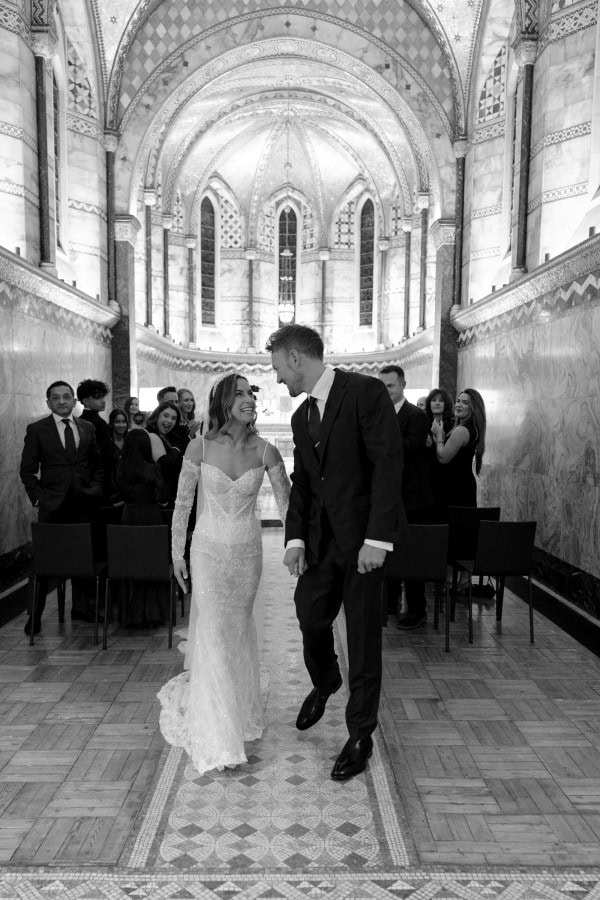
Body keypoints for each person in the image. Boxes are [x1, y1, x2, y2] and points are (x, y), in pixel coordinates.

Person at [267, 324, 405, 782]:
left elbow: (388, 464)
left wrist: (378, 539)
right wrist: (295, 540)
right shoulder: (299, 418)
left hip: (364, 544)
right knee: (309, 615)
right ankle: (325, 680)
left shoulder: (364, 393)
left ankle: (360, 735)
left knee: (364, 641)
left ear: (295, 359)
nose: (279, 380)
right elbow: (305, 483)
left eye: (279, 370)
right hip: (322, 545)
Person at [157, 374, 290, 775]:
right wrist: (176, 553)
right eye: (242, 394)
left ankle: (237, 709)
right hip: (208, 551)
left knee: (235, 630)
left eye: (253, 394)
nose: (250, 399)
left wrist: (297, 548)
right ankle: (220, 738)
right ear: (223, 401)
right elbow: (182, 506)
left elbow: (288, 507)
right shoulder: (199, 447)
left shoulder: (267, 450)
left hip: (248, 554)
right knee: (212, 631)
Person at [19, 380, 103, 634]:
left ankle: (83, 608)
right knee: (43, 563)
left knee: (82, 557)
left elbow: (97, 464)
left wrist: (95, 488)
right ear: (49, 402)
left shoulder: (87, 428)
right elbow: (27, 471)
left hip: (82, 503)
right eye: (56, 398)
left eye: (67, 397)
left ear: (75, 401)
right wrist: (38, 498)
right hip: (51, 506)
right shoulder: (37, 429)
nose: (62, 401)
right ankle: (34, 615)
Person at [379, 366, 433, 630]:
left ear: (402, 385)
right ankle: (389, 604)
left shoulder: (416, 415)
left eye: (390, 386)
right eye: (383, 386)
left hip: (412, 497)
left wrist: (384, 439)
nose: (386, 391)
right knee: (388, 549)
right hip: (389, 495)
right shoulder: (378, 414)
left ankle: (417, 610)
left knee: (411, 555)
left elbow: (412, 447)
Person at [116, 429, 170, 626]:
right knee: (151, 563)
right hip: (151, 517)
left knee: (130, 562)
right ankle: (152, 612)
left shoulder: (120, 468)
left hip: (128, 516)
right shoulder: (152, 468)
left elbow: (116, 495)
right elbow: (162, 496)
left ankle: (130, 613)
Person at [431, 388, 486, 507]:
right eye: (458, 401)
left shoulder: (462, 430)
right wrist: (437, 438)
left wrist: (439, 433)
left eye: (465, 403)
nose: (458, 405)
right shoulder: (469, 428)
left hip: (457, 488)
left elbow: (443, 458)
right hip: (461, 484)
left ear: (474, 408)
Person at [145, 401, 184, 507]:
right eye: (165, 416)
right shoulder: (151, 435)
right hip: (153, 500)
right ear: (157, 416)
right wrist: (178, 445)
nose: (169, 421)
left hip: (171, 496)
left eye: (174, 418)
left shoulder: (170, 437)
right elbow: (166, 466)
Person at [424, 388, 455, 518]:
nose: (437, 403)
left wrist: (437, 441)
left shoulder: (453, 424)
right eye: (433, 400)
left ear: (446, 404)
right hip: (427, 477)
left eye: (441, 401)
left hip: (447, 476)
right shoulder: (422, 422)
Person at [76, 379, 110, 452]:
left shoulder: (78, 421)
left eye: (103, 396)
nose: (103, 401)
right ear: (86, 401)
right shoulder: (99, 424)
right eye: (98, 397)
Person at [104, 409, 129, 505]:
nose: (121, 425)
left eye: (124, 422)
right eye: (117, 422)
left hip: (127, 490)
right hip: (111, 490)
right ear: (111, 423)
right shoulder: (106, 443)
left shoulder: (130, 441)